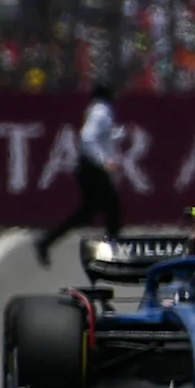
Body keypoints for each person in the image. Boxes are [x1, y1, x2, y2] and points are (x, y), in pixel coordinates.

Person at [34, 81, 125, 266]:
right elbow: (87, 138)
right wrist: (104, 161)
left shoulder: (98, 110)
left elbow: (100, 136)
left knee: (88, 212)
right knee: (113, 209)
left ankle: (46, 241)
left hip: (89, 167)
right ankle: (112, 254)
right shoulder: (101, 111)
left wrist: (117, 134)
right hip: (92, 168)